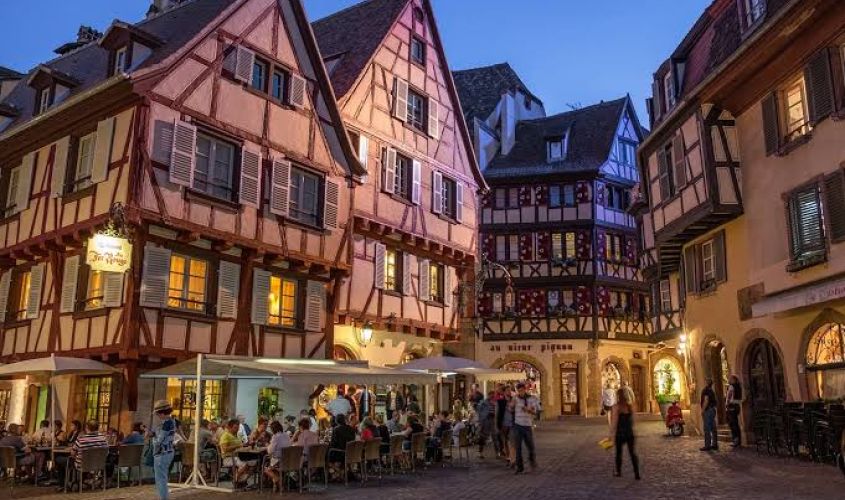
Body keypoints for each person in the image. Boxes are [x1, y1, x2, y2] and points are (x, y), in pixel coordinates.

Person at [148, 402, 176, 499]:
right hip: (168, 452)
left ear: (162, 413)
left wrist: (153, 438)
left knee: (160, 479)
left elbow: (159, 441)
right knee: (162, 478)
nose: (158, 416)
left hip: (162, 453)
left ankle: (163, 498)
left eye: (158, 414)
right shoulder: (172, 421)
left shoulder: (166, 423)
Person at [611, 387, 640, 480]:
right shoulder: (630, 406)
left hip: (620, 433)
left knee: (619, 453)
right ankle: (637, 473)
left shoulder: (616, 406)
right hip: (629, 432)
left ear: (618, 396)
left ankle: (618, 471)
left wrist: (612, 434)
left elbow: (614, 421)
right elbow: (633, 420)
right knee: (632, 453)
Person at [512, 383, 538, 475]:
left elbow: (535, 412)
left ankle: (532, 461)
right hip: (517, 425)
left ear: (525, 389)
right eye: (518, 391)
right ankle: (520, 467)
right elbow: (511, 408)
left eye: (521, 390)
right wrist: (511, 405)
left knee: (530, 446)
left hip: (527, 425)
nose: (520, 392)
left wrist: (528, 410)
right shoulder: (515, 398)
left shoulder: (532, 398)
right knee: (518, 447)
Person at [264, 421, 291, 491]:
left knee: (266, 469)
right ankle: (279, 486)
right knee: (274, 467)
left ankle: (278, 480)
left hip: (279, 461)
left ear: (273, 429)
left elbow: (270, 451)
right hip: (288, 460)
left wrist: (267, 445)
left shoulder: (275, 437)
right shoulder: (286, 435)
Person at [700, 378, 719, 451]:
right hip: (713, 409)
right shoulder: (711, 390)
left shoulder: (706, 390)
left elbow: (706, 400)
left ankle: (707, 445)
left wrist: (702, 410)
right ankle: (715, 444)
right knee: (713, 427)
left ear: (706, 382)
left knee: (707, 428)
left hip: (708, 410)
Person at [476, 391, 495, 458]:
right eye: (491, 395)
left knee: (493, 437)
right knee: (482, 437)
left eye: (493, 396)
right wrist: (481, 420)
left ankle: (498, 452)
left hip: (491, 422)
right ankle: (480, 452)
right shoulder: (483, 402)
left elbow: (494, 411)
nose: (492, 397)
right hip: (484, 422)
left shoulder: (493, 403)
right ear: (489, 395)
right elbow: (479, 411)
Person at [726, 374, 743, 447]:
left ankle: (736, 440)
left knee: (732, 424)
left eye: (730, 379)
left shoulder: (731, 386)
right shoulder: (739, 386)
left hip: (732, 406)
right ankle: (738, 440)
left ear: (733, 380)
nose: (729, 380)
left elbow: (729, 396)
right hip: (737, 406)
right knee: (736, 423)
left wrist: (727, 404)